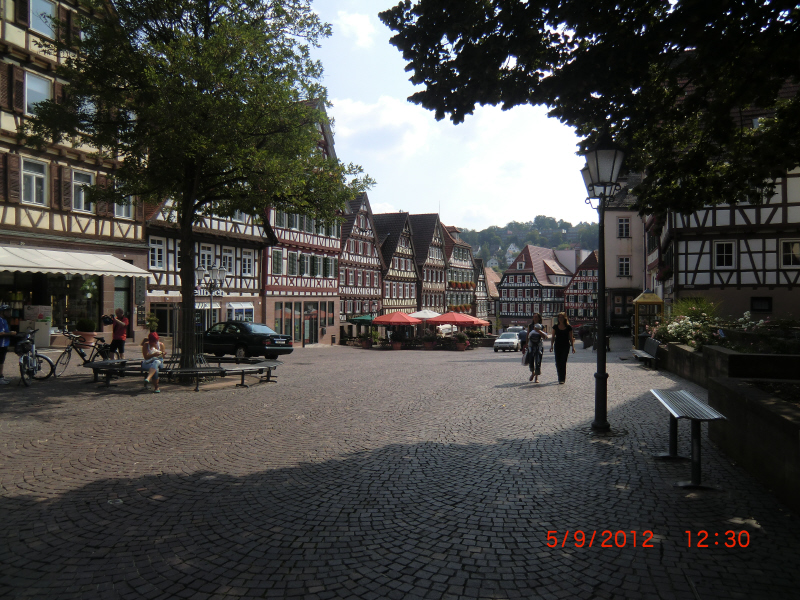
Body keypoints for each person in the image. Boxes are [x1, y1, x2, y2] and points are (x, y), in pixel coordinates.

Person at [549, 312, 576, 384]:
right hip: (557, 345)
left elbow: (571, 337)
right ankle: (559, 377)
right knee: (558, 362)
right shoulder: (555, 326)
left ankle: (562, 379)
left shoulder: (568, 327)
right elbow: (553, 337)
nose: (560, 319)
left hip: (565, 346)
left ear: (564, 318)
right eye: (559, 317)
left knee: (563, 361)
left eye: (561, 317)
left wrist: (573, 347)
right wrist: (551, 346)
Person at [526, 313, 549, 383]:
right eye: (534, 317)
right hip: (531, 345)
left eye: (536, 317)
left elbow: (545, 337)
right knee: (531, 360)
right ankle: (533, 372)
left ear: (539, 318)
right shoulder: (530, 326)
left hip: (539, 346)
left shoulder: (542, 326)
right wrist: (526, 344)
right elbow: (527, 336)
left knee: (538, 361)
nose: (535, 318)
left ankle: (536, 377)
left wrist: (538, 331)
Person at [0, 305, 16, 384]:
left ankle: (1, 376)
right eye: (7, 311)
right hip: (1, 344)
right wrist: (11, 333)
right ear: (2, 312)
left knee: (2, 361)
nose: (9, 313)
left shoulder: (4, 320)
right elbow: (1, 333)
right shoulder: (0, 320)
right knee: (0, 361)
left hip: (4, 343)